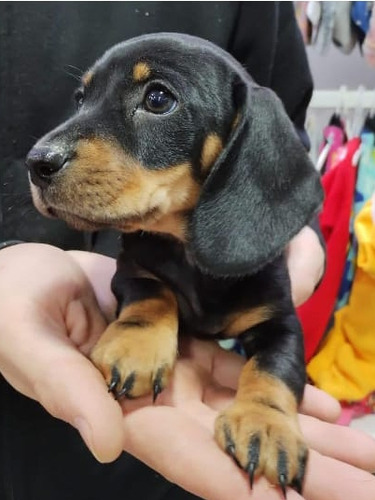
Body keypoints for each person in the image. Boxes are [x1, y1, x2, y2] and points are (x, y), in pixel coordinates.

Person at [0, 2, 374, 500]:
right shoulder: (144, 245)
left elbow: (279, 335)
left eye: (157, 99)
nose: (46, 151)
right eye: (85, 98)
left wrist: (266, 405)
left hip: (189, 458)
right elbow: (131, 277)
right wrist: (146, 311)